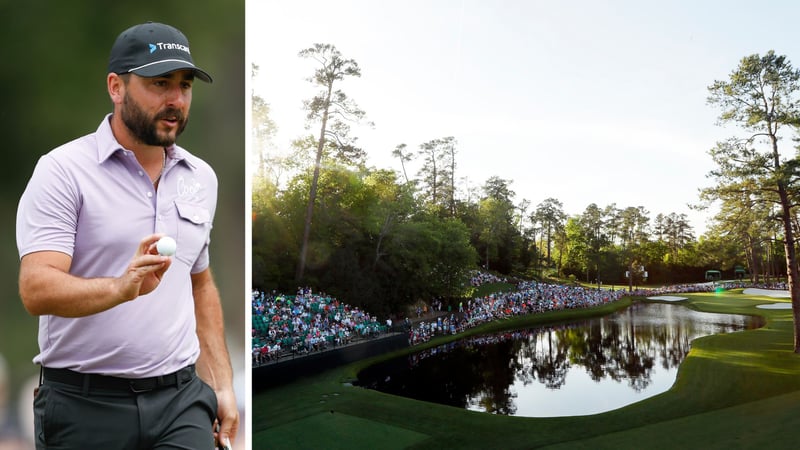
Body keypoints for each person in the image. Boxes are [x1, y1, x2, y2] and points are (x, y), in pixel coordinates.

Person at [15, 22, 238, 449]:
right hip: (83, 406)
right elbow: (35, 287)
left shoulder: (202, 178)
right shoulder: (62, 171)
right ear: (116, 87)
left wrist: (222, 384)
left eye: (185, 85)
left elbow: (200, 283)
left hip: (180, 402)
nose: (176, 99)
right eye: (159, 83)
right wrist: (121, 287)